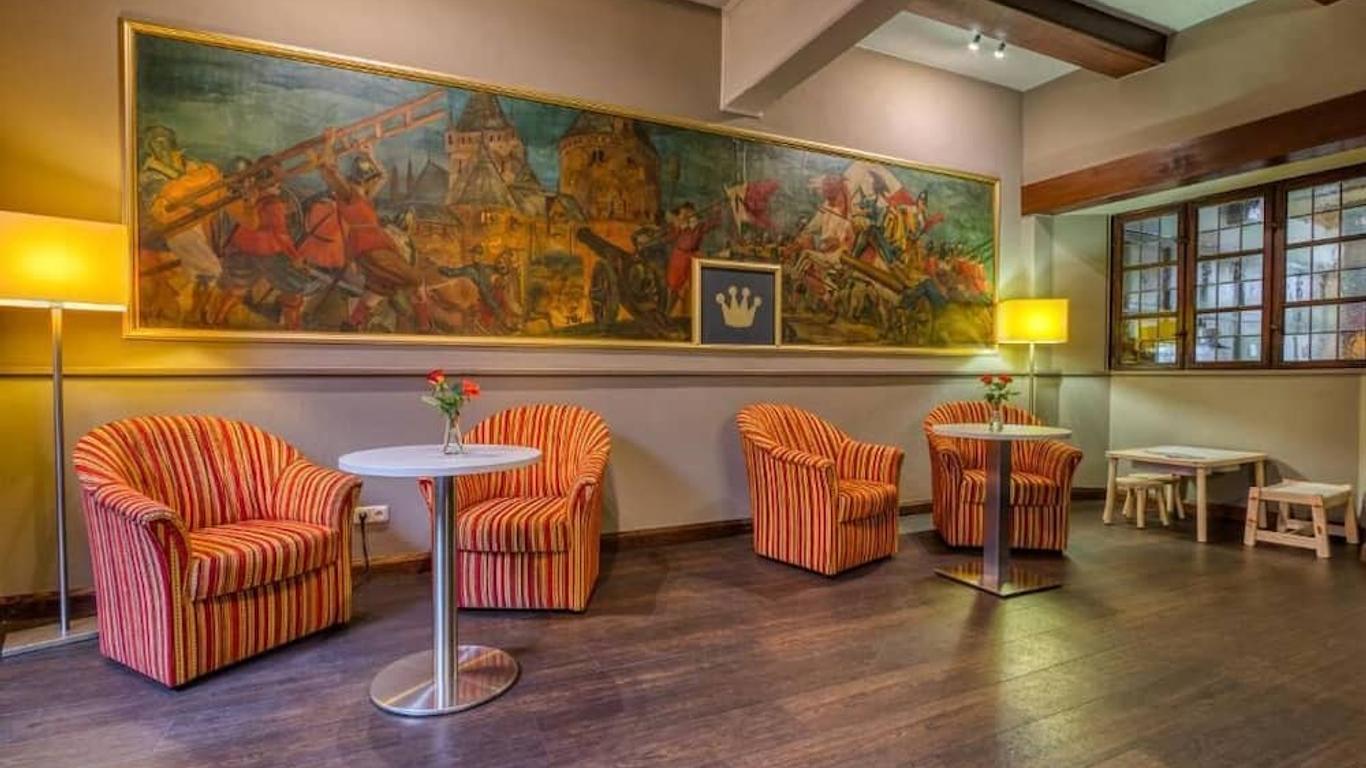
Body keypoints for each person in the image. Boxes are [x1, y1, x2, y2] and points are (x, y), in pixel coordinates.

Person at [312, 130, 430, 332]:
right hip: (372, 247)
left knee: (379, 287)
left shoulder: (363, 196)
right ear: (361, 179)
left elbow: (383, 176)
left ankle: (352, 323)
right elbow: (328, 170)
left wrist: (370, 154)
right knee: (417, 279)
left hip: (372, 246)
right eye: (367, 179)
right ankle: (425, 327)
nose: (370, 183)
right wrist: (329, 143)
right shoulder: (348, 194)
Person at [138, 125, 225, 324]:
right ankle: (196, 311)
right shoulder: (149, 175)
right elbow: (162, 206)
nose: (160, 147)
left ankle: (192, 313)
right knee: (211, 269)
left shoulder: (187, 163)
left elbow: (211, 179)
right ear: (149, 148)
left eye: (163, 142)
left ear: (171, 143)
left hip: (201, 222)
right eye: (155, 144)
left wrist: (184, 191)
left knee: (196, 272)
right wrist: (192, 189)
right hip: (177, 227)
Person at [213, 157, 312, 329]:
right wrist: (295, 257)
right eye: (277, 177)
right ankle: (293, 327)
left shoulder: (247, 198)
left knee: (238, 288)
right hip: (267, 251)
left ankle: (217, 321)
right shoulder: (274, 204)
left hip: (242, 248)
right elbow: (281, 235)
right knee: (294, 288)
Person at [665, 202, 716, 316]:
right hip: (679, 257)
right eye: (683, 213)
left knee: (694, 286)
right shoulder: (678, 225)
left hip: (692, 257)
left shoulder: (699, 226)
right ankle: (668, 313)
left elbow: (713, 223)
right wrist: (678, 226)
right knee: (673, 286)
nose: (685, 215)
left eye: (688, 212)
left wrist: (715, 211)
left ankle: (694, 315)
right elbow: (670, 236)